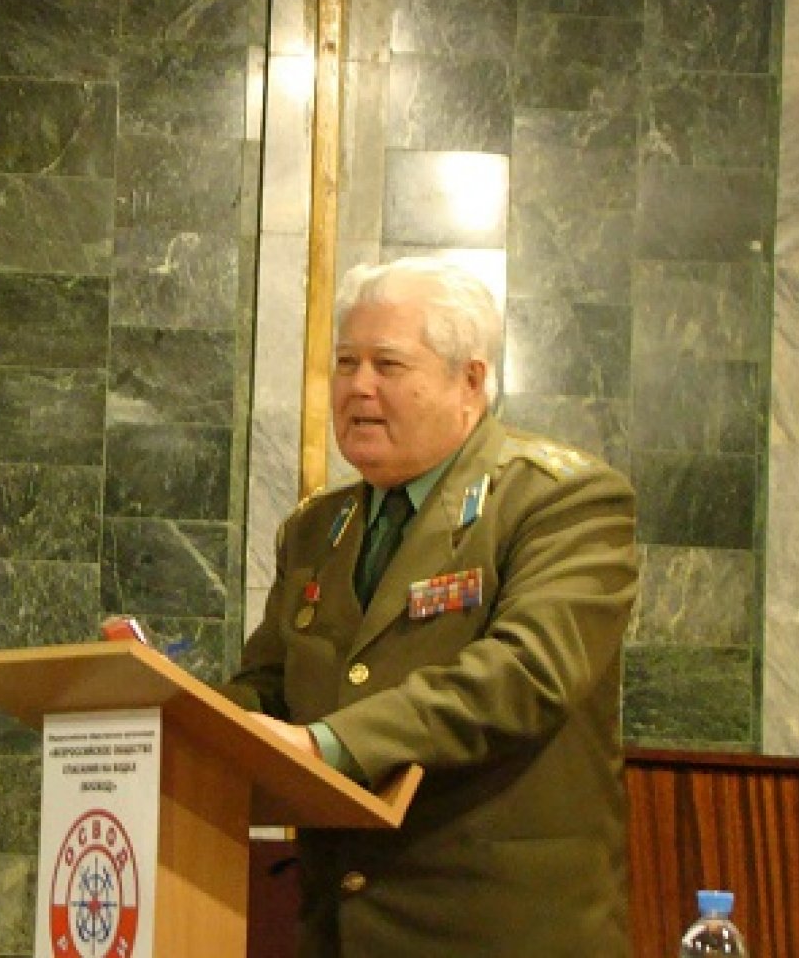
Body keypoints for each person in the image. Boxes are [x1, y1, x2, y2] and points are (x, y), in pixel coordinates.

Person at [223, 256, 637, 956]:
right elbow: (270, 688)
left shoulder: (559, 500)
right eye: (345, 363)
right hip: (337, 930)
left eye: (387, 364)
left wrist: (331, 746)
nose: (357, 386)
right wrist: (169, 716)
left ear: (469, 380)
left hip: (495, 931)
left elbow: (525, 674)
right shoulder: (317, 528)